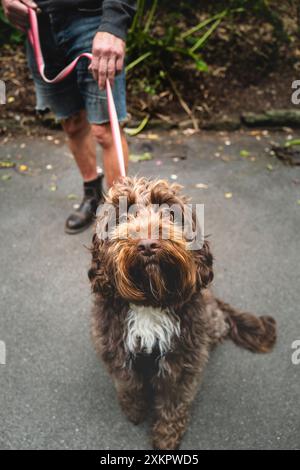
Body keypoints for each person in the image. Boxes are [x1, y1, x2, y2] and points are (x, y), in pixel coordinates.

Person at [2, 0, 136, 233]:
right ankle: (92, 196)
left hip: (92, 19)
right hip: (40, 25)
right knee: (71, 122)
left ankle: (120, 215)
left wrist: (114, 24)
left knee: (105, 130)